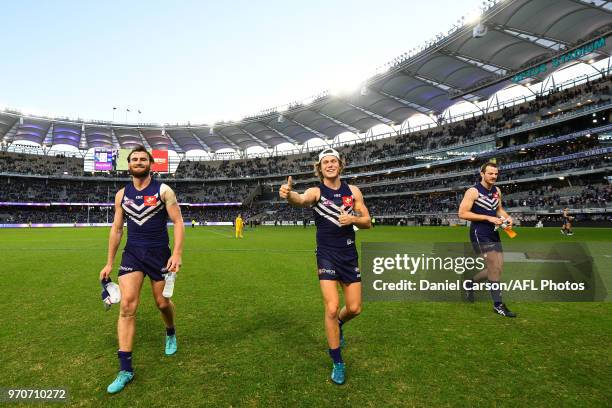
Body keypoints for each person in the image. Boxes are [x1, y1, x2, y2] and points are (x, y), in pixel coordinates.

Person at [279, 148, 371, 385]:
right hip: (327, 255)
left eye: (333, 161)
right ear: (320, 168)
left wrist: (353, 219)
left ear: (340, 165)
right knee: (331, 307)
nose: (330, 165)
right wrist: (289, 194)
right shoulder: (316, 191)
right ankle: (337, 361)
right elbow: (300, 200)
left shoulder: (353, 191)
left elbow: (367, 221)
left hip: (349, 254)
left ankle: (340, 323)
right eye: (325, 162)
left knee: (355, 308)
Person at [99, 146, 185, 394]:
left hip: (159, 255)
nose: (138, 162)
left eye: (142, 159)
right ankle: (125, 370)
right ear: (129, 164)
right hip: (133, 254)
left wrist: (177, 253)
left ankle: (170, 332)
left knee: (162, 303)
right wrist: (109, 263)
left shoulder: (163, 190)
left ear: (150, 164)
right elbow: (117, 230)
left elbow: (178, 221)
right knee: (127, 306)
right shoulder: (121, 195)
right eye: (134, 159)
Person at [458, 162, 516, 317]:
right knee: (493, 266)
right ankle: (498, 305)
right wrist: (488, 218)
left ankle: (470, 283)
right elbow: (462, 213)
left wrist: (507, 218)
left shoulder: (497, 190)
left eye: (496, 174)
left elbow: (499, 209)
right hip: (479, 232)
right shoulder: (473, 191)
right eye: (490, 173)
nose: (494, 176)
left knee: (498, 268)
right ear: (482, 174)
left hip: (493, 232)